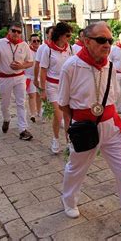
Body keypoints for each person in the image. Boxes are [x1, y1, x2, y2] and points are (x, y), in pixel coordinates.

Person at [58, 22, 121, 240]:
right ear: (86, 40)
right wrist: (68, 128)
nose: (107, 44)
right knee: (76, 169)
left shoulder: (110, 64)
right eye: (102, 40)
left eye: (109, 40)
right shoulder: (71, 66)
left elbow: (114, 95)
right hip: (84, 127)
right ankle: (69, 199)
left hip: (111, 125)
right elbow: (63, 103)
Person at [0, 22, 34, 141]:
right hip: (4, 78)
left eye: (19, 32)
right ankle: (6, 119)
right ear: (9, 31)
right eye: (14, 31)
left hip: (19, 77)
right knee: (5, 104)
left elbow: (30, 62)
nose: (16, 33)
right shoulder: (0, 43)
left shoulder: (24, 45)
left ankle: (23, 129)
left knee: (21, 102)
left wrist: (21, 66)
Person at [40, 22, 73, 153]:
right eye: (67, 35)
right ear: (59, 35)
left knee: (67, 117)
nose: (70, 37)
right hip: (52, 85)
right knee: (58, 115)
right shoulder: (47, 50)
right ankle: (55, 138)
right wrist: (42, 90)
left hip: (66, 86)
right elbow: (43, 70)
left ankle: (68, 141)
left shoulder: (70, 48)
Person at [25, 34, 42, 123]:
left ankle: (39, 111)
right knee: (32, 95)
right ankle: (32, 113)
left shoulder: (42, 50)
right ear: (30, 42)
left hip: (39, 76)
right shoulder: (27, 51)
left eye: (38, 41)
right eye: (34, 41)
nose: (36, 43)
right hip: (29, 76)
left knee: (39, 95)